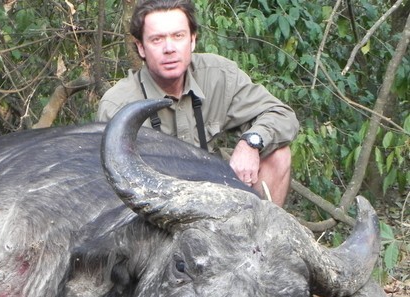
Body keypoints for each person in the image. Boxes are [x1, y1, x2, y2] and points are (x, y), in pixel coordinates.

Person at [97, 0, 299, 207]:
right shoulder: (117, 104)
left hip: (217, 191)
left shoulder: (218, 74)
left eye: (178, 36)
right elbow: (109, 183)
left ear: (192, 40)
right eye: (157, 39)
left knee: (278, 154)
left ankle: (263, 237)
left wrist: (250, 143)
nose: (169, 49)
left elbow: (281, 115)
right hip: (157, 206)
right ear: (141, 47)